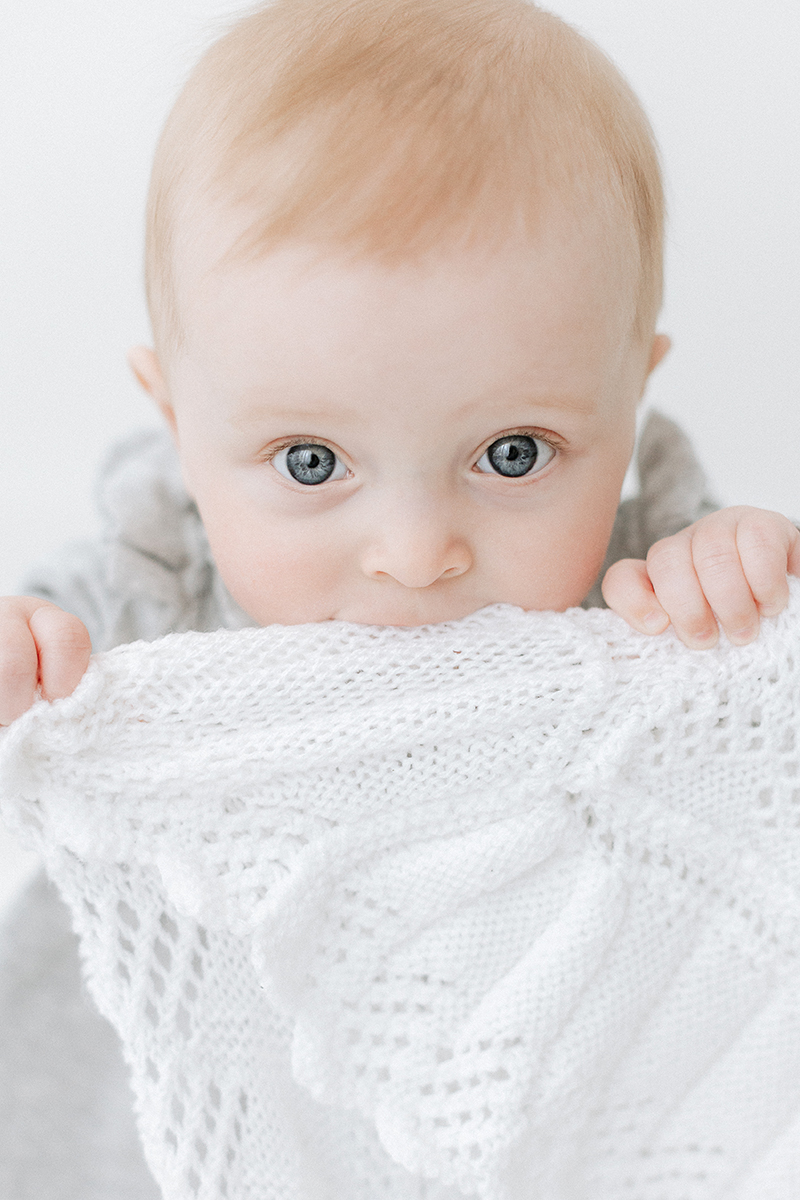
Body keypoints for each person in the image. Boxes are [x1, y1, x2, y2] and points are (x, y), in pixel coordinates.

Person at [0, 0, 798, 1194]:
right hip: (159, 1123)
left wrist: (740, 580)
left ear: (629, 395)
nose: (416, 554)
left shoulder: (640, 588)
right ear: (176, 422)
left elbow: (742, 758)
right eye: (312, 464)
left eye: (513, 454)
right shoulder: (142, 586)